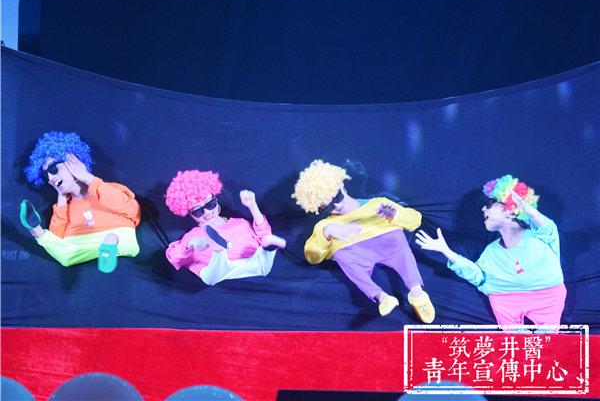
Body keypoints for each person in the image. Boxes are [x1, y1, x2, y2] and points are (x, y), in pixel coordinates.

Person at [416, 175, 565, 332]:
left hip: (548, 295)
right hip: (506, 299)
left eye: (489, 203)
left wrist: (531, 212)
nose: (483, 209)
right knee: (517, 340)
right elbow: (478, 276)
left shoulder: (539, 236)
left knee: (549, 338)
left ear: (511, 208)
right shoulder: (491, 252)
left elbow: (548, 229)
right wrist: (446, 251)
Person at [292, 159, 435, 322]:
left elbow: (415, 221)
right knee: (342, 255)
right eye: (328, 206)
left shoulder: (378, 204)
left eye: (337, 197)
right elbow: (312, 257)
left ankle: (416, 293)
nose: (336, 206)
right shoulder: (325, 225)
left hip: (390, 246)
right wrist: (328, 232)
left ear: (341, 184)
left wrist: (394, 215)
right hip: (357, 256)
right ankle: (382, 297)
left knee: (397, 236)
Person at [21, 131, 141, 273]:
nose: (51, 178)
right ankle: (35, 229)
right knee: (64, 255)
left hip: (116, 236)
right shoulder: (65, 207)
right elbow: (57, 238)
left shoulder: (108, 189)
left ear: (74, 161)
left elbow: (133, 211)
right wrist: (61, 196)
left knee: (128, 243)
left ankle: (111, 240)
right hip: (79, 247)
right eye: (45, 176)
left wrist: (86, 177)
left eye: (53, 168)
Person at [165, 170, 286, 286]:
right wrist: (190, 244)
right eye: (198, 211)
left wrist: (253, 207)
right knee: (211, 275)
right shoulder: (192, 236)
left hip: (254, 263)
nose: (207, 212)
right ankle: (219, 251)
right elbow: (173, 257)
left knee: (263, 258)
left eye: (210, 204)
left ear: (216, 200)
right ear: (190, 214)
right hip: (218, 272)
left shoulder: (241, 223)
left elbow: (263, 234)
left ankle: (267, 249)